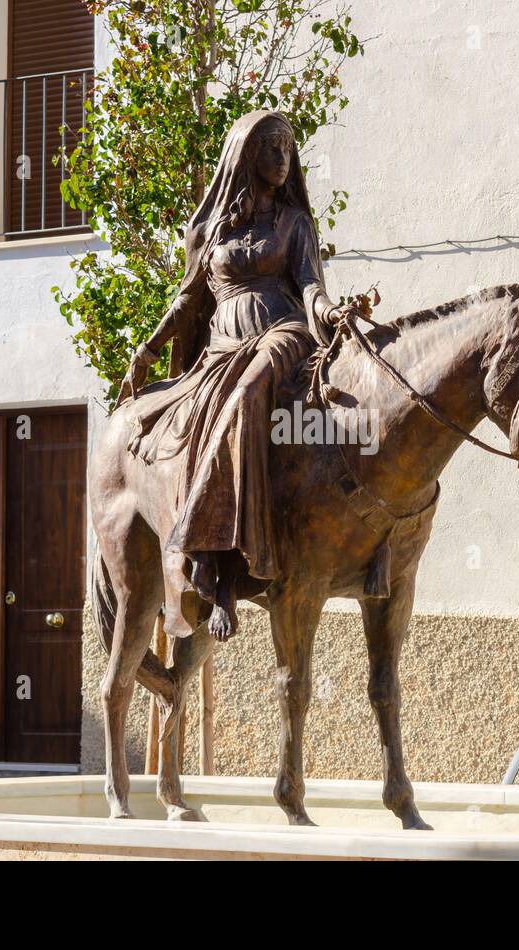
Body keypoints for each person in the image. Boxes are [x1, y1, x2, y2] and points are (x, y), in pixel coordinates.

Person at [121, 110, 350, 641]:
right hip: (221, 346)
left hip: (282, 333)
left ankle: (225, 577)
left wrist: (330, 312)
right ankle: (213, 564)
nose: (282, 159)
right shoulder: (212, 230)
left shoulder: (295, 224)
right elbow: (186, 302)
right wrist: (147, 350)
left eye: (288, 150)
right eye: (272, 148)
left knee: (246, 393)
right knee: (200, 416)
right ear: (246, 155)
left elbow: (310, 286)